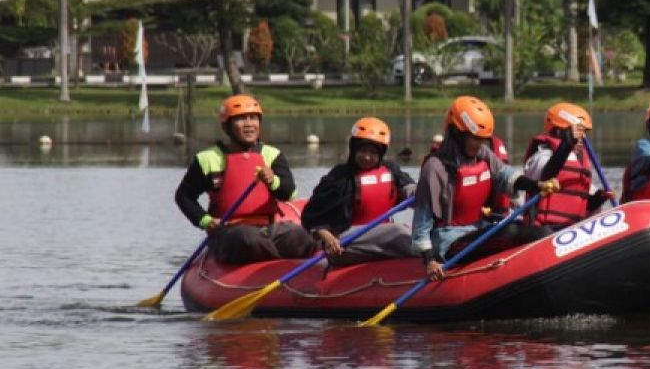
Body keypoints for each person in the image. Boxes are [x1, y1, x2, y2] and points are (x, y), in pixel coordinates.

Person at [413, 95, 559, 281]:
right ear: (457, 133)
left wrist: (537, 185)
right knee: (516, 232)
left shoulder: (482, 154)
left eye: (482, 139)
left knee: (535, 230)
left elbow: (507, 177)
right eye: (474, 138)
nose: (479, 144)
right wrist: (430, 261)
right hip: (450, 242)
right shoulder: (435, 167)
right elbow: (421, 222)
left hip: (480, 229)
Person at [175, 94, 315, 264]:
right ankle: (275, 266)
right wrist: (205, 220)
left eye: (254, 118)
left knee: (299, 235)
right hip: (228, 232)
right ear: (227, 126)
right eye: (241, 119)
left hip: (268, 229)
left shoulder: (272, 155)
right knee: (248, 238)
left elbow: (289, 193)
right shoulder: (207, 159)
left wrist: (273, 181)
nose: (249, 124)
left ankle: (284, 267)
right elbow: (184, 196)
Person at [301, 116, 417, 267]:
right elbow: (310, 219)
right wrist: (328, 238)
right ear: (354, 149)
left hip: (383, 240)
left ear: (381, 153)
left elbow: (410, 190)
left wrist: (421, 193)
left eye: (373, 153)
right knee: (398, 232)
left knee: (409, 234)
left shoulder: (391, 170)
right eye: (363, 151)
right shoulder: (340, 177)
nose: (367, 157)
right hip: (346, 243)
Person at [522, 102, 614, 229]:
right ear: (559, 132)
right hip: (541, 231)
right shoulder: (540, 156)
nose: (581, 139)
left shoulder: (579, 161)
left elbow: (580, 201)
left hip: (569, 231)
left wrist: (598, 198)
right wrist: (566, 145)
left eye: (583, 134)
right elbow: (546, 176)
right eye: (577, 133)